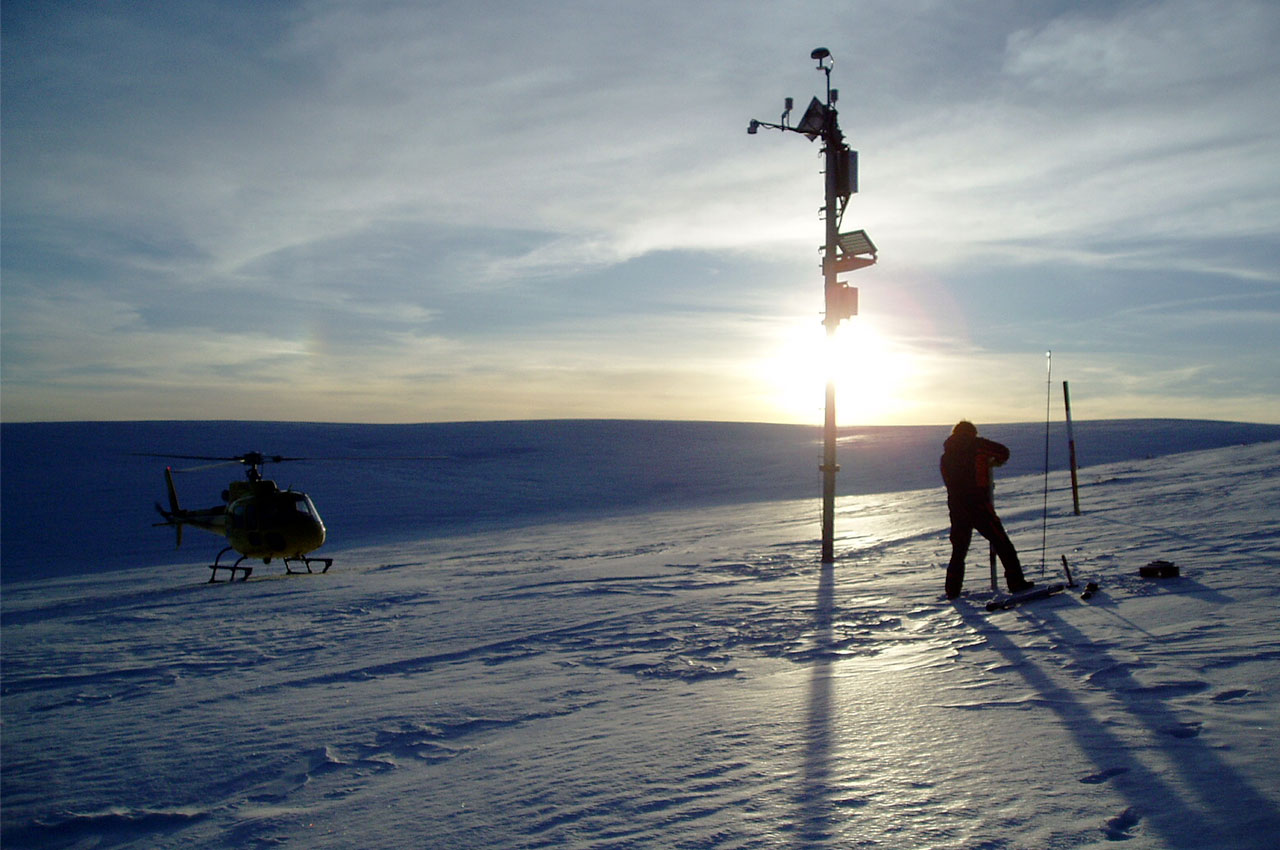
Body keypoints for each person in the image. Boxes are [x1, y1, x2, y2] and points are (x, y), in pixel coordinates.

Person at [940, 420, 1033, 599]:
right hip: (977, 503)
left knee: (959, 549)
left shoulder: (946, 455)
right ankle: (1016, 583)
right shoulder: (977, 446)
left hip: (957, 505)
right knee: (1002, 543)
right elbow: (1003, 452)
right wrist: (994, 462)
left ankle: (952, 590)